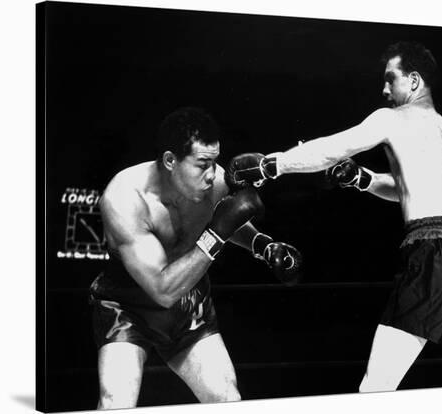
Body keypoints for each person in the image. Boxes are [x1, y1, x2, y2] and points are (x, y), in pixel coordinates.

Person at [225, 41, 442, 392]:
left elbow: (331, 149)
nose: (383, 89)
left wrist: (272, 165)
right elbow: (410, 188)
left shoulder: (392, 118)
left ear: (414, 80)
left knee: (375, 388)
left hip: (433, 254)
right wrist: (363, 180)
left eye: (391, 79)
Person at [89, 107, 302, 409]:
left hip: (189, 302)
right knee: (116, 403)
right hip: (127, 307)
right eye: (202, 164)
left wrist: (262, 245)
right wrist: (217, 233)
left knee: (226, 399)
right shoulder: (125, 198)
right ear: (170, 160)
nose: (213, 174)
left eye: (215, 162)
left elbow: (227, 217)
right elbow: (162, 289)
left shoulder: (210, 184)